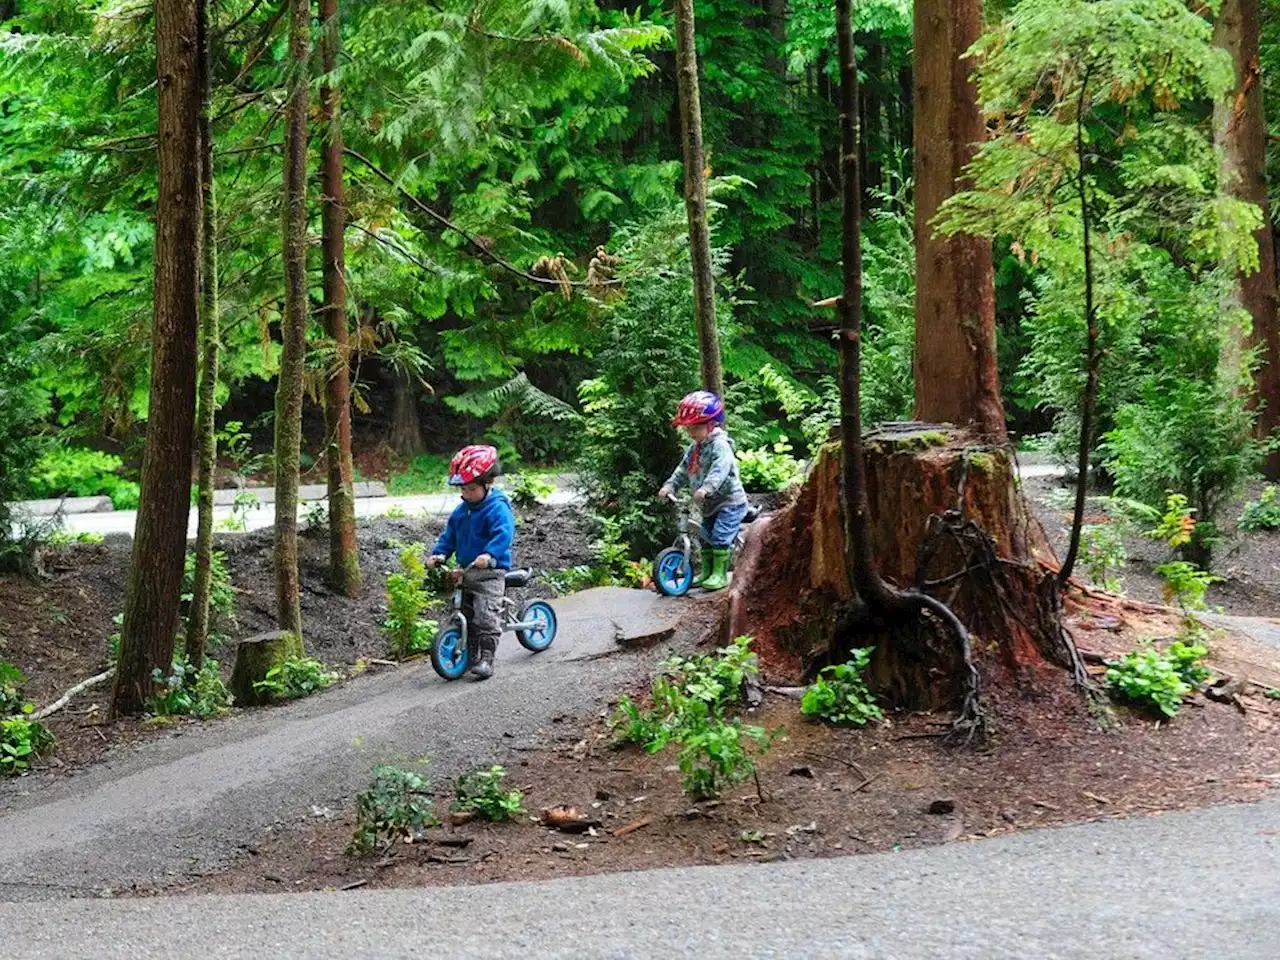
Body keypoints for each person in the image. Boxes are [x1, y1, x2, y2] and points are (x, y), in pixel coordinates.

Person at [426, 445, 514, 680]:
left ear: (488, 483)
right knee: (464, 611)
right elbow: (449, 537)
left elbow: (503, 534)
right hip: (466, 572)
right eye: (463, 489)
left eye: (471, 488)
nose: (466, 494)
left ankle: (486, 658)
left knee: (485, 616)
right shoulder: (461, 512)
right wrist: (440, 554)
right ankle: (469, 655)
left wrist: (490, 554)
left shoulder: (497, 507)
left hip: (490, 572)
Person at [658, 390, 749, 592]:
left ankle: (720, 574)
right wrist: (670, 485)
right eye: (688, 428)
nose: (691, 432)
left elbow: (721, 468)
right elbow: (683, 470)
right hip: (709, 504)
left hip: (728, 502)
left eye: (695, 427)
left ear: (711, 424)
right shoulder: (695, 448)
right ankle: (707, 571)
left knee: (719, 537)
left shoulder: (720, 445)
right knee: (704, 537)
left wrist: (708, 487)